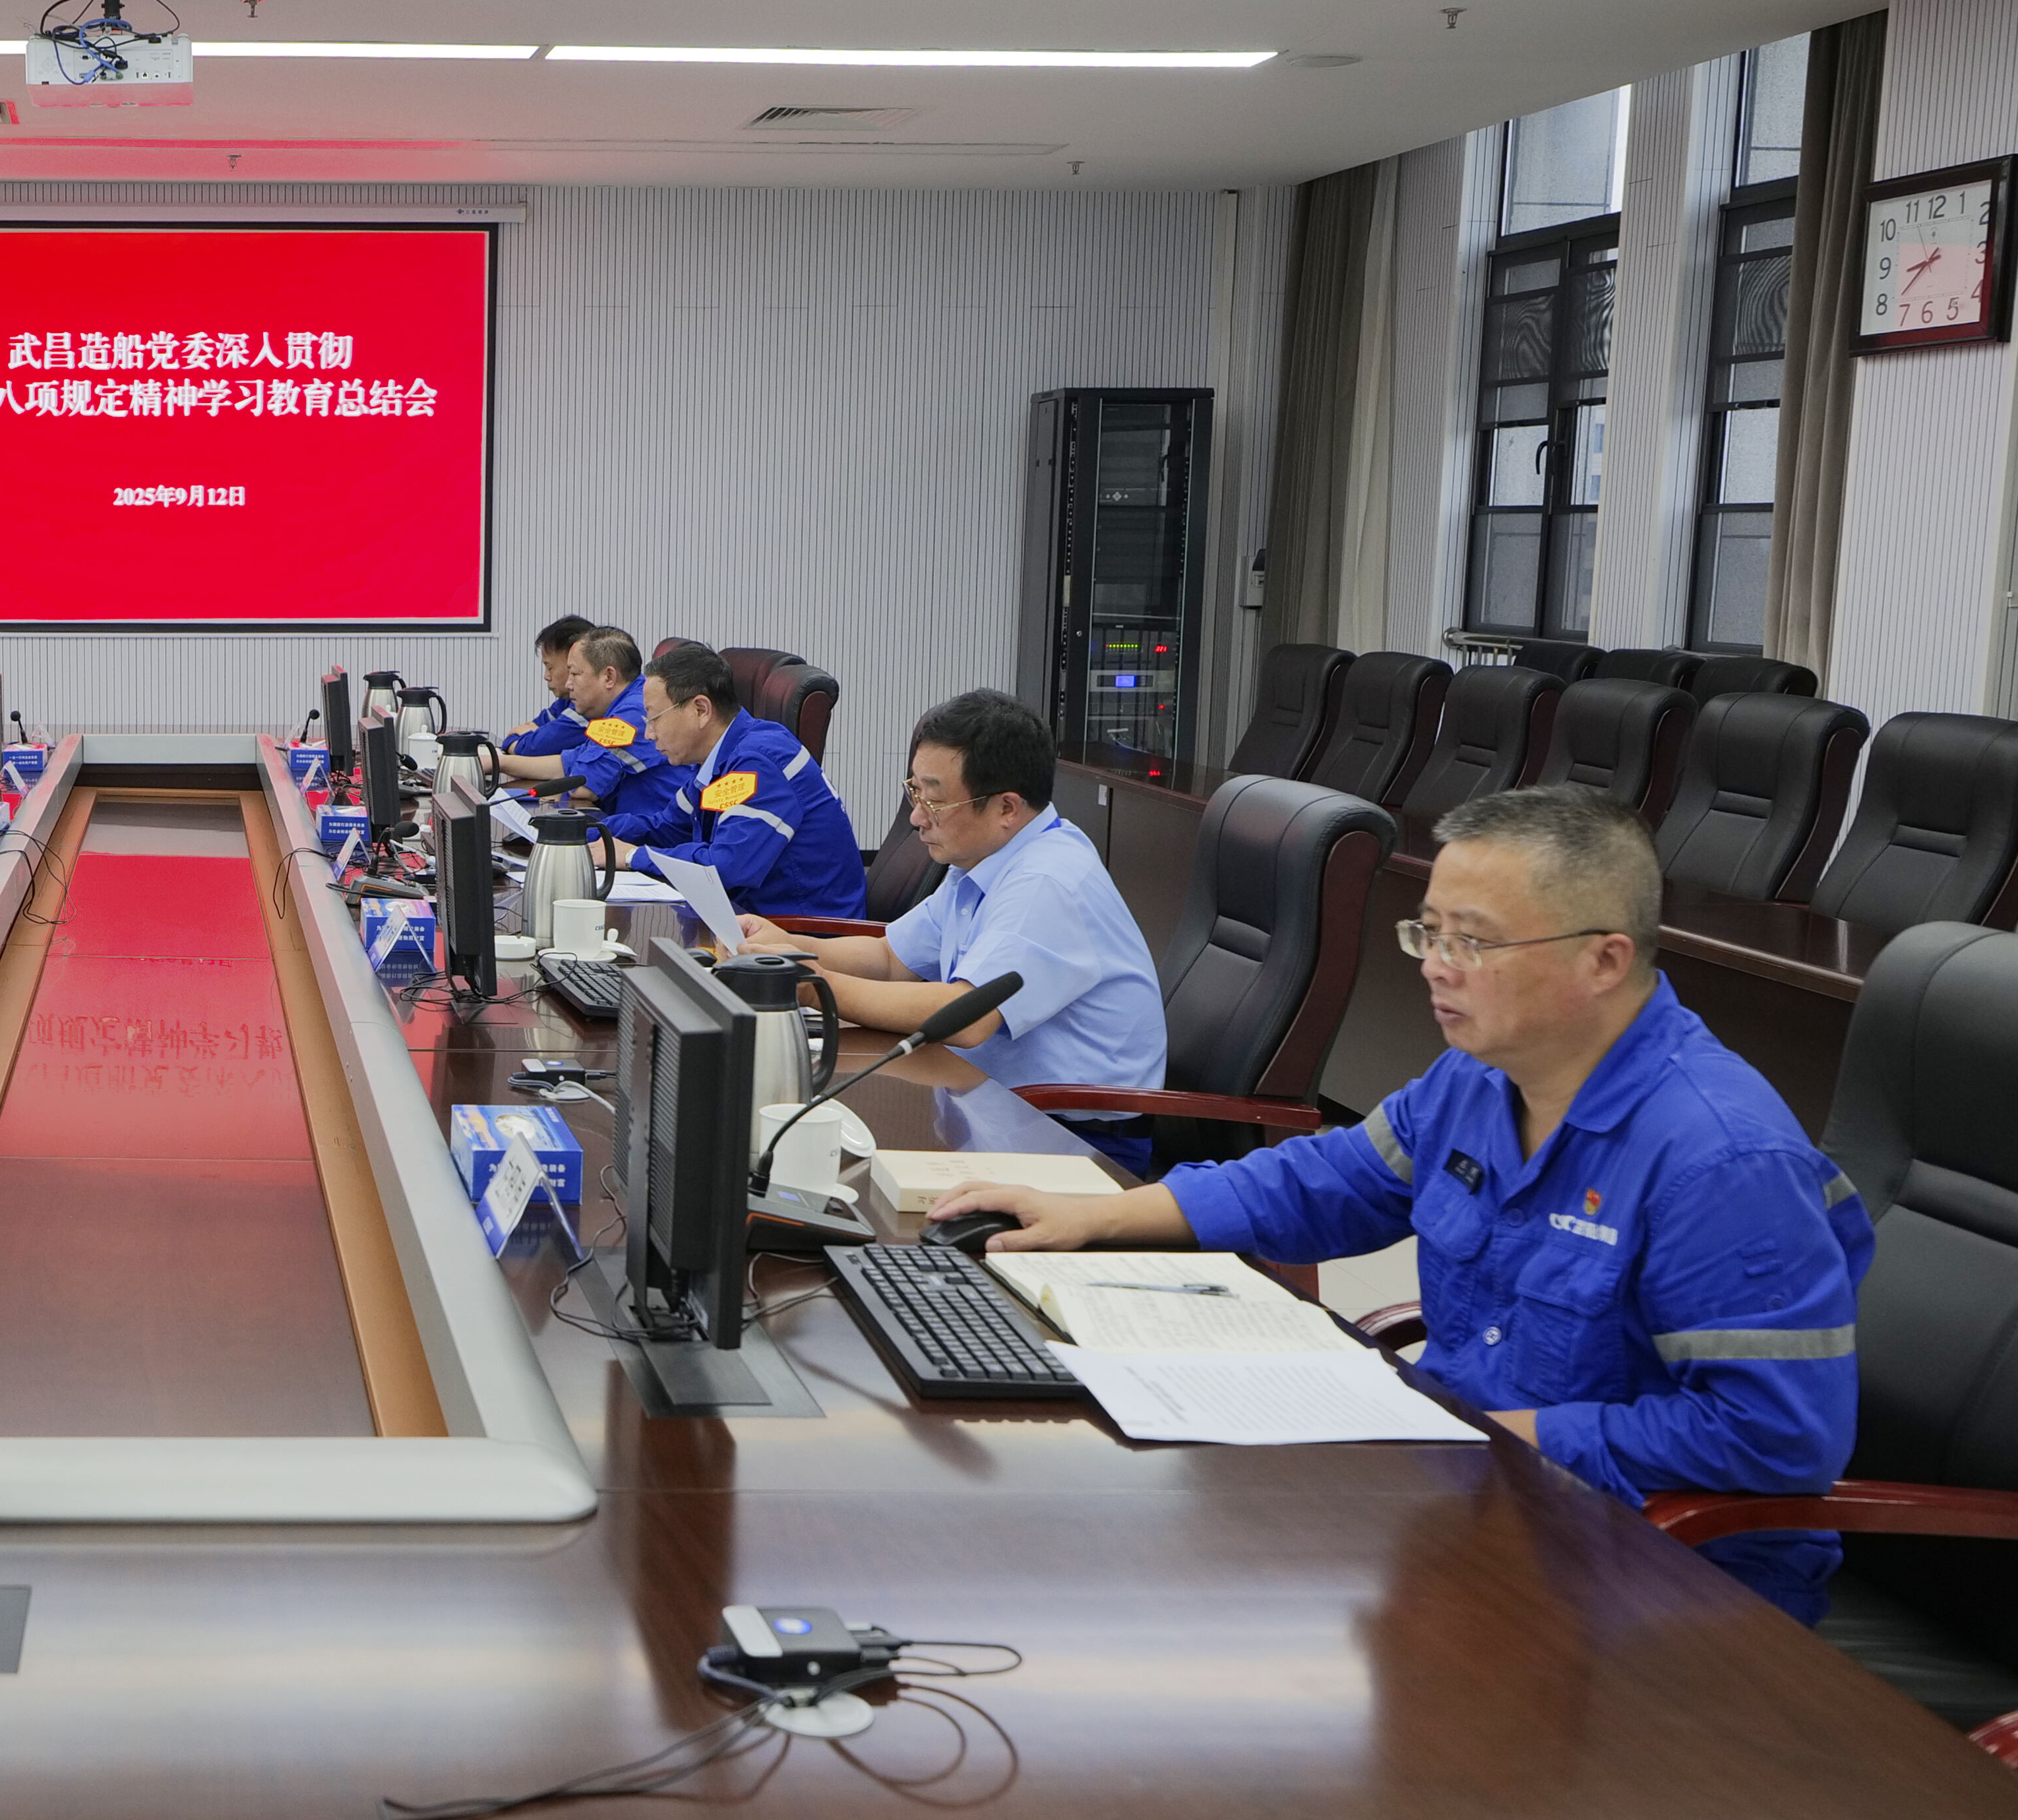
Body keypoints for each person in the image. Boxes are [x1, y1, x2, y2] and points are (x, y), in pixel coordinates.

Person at [932, 785, 1871, 1625]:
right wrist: (1101, 1215)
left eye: (1474, 941)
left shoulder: (1721, 1160)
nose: (1436, 965)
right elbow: (1328, 1181)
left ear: (1603, 960)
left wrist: (1497, 1436)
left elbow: (1774, 1435)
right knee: (1142, 1553)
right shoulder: (1477, 1080)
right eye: (1429, 933)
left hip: (1656, 1582)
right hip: (1474, 1504)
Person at [744, 687, 1163, 1164]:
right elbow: (892, 958)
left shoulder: (1047, 881)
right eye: (915, 792)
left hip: (1071, 1142)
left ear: (1007, 808)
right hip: (988, 1106)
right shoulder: (987, 858)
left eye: (935, 801)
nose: (917, 817)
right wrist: (787, 945)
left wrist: (812, 986)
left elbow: (966, 1018)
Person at [603, 642, 864, 921]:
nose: (648, 734)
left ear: (701, 710)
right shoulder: (720, 758)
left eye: (654, 719)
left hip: (807, 930)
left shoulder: (760, 763)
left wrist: (633, 857)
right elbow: (666, 827)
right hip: (753, 918)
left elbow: (724, 868)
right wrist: (588, 833)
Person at [491, 628, 665, 815]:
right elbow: (565, 764)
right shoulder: (621, 706)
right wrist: (497, 763)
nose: (568, 684)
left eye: (574, 674)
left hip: (650, 830)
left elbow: (582, 787)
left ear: (609, 677)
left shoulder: (631, 715)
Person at [503, 616, 597, 760]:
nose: (546, 676)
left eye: (550, 668)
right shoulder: (567, 701)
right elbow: (530, 732)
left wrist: (516, 744)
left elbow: (533, 748)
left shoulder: (588, 706)